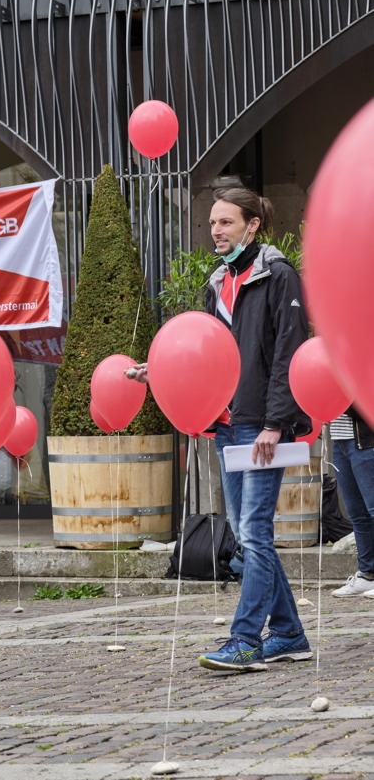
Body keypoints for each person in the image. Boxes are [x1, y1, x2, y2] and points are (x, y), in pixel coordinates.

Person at [193, 186, 312, 671]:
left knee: (254, 532)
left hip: (260, 426)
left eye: (225, 222)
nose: (216, 231)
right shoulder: (216, 282)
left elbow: (289, 352)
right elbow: (204, 350)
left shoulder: (278, 276)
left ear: (252, 225)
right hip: (227, 424)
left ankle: (245, 641)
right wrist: (158, 370)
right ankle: (288, 633)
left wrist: (275, 423)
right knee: (246, 534)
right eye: (213, 223)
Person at [328, 407, 374, 598]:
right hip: (340, 441)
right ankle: (367, 574)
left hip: (367, 440)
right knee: (357, 513)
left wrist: (340, 401)